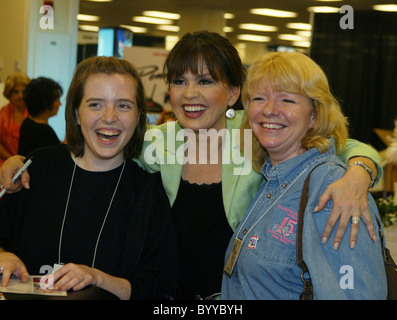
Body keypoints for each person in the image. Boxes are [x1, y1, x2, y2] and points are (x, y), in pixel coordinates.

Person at [0, 31, 383, 299]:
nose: (191, 94)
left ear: (233, 93)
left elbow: (335, 141)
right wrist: (21, 161)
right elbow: (101, 137)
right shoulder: (157, 143)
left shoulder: (258, 139)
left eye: (205, 80)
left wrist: (359, 171)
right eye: (179, 80)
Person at [0, 56, 177, 300]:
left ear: (139, 117)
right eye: (95, 104)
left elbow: (159, 288)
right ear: (75, 112)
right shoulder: (37, 168)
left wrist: (98, 279)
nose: (109, 117)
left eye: (124, 105)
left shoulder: (148, 191)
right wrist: (2, 256)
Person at [221, 52, 387, 299]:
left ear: (314, 115)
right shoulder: (273, 180)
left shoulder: (334, 190)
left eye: (287, 100)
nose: (269, 110)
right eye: (258, 98)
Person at [18, 77, 62, 156]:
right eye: (57, 100)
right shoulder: (45, 132)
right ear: (45, 103)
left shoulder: (27, 122)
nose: (60, 104)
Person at [0, 72, 30, 166]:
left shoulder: (33, 113)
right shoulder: (3, 113)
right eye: (16, 92)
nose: (20, 95)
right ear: (9, 93)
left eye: (24, 92)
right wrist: (12, 159)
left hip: (26, 162)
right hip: (4, 161)